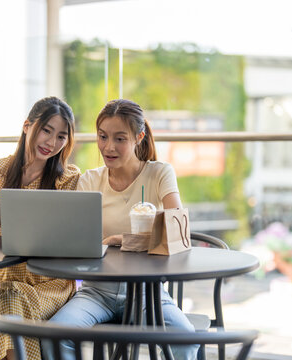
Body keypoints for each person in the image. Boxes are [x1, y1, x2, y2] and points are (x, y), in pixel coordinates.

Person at [47, 99, 198, 360]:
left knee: (184, 341)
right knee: (54, 338)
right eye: (103, 137)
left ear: (139, 137)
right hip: (96, 292)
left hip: (146, 292)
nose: (109, 147)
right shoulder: (90, 180)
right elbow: (76, 240)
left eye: (120, 139)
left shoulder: (160, 173)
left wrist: (123, 239)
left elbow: (177, 231)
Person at [0, 96, 80, 360]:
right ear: (27, 126)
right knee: (9, 297)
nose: (51, 143)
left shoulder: (69, 180)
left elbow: (76, 240)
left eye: (61, 136)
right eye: (46, 130)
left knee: (9, 302)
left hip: (50, 286)